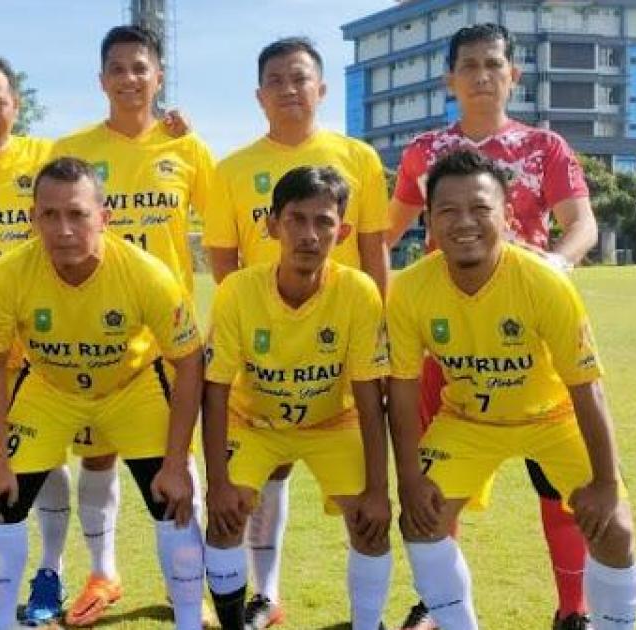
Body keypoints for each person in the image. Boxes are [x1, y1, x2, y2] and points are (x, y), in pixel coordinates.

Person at [387, 24, 599, 630]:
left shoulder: (544, 147)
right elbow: (385, 230)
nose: (482, 75)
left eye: (493, 64)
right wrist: (378, 294)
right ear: (449, 79)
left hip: (532, 337)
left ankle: (573, 609)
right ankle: (435, 602)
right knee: (436, 477)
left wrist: (557, 263)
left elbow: (581, 223)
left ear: (514, 75)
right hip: (446, 342)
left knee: (557, 481)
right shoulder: (424, 151)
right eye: (469, 65)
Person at [388, 149, 636, 630]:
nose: (465, 222)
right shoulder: (410, 289)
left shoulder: (543, 282)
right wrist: (409, 478)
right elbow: (401, 390)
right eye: (448, 210)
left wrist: (606, 486)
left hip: (552, 417)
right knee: (420, 522)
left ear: (506, 217)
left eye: (480, 209)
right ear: (428, 222)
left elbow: (587, 389)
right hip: (467, 420)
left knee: (615, 528)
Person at [200, 36, 392, 628]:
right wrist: (265, 326)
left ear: (321, 88)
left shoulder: (359, 157)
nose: (289, 88)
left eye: (300, 77)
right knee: (261, 481)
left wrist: (375, 334)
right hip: (264, 354)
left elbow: (375, 250)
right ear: (259, 94)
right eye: (276, 79)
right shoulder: (231, 169)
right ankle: (265, 593)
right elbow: (224, 260)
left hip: (340, 348)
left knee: (365, 512)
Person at [0, 157, 205, 630]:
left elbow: (189, 364)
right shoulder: (8, 274)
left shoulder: (146, 273)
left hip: (131, 387)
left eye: (77, 214)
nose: (63, 229)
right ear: (33, 218)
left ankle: (187, 615)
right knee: (2, 503)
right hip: (50, 388)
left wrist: (177, 462)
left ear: (104, 217)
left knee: (173, 500)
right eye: (50, 214)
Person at [46, 25, 216, 626]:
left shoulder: (187, 148)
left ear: (158, 76)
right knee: (95, 458)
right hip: (91, 336)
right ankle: (103, 572)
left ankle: (185, 586)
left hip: (166, 339)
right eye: (116, 69)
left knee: (177, 460)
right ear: (101, 80)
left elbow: (223, 231)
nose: (129, 78)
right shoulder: (71, 148)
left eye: (139, 67)